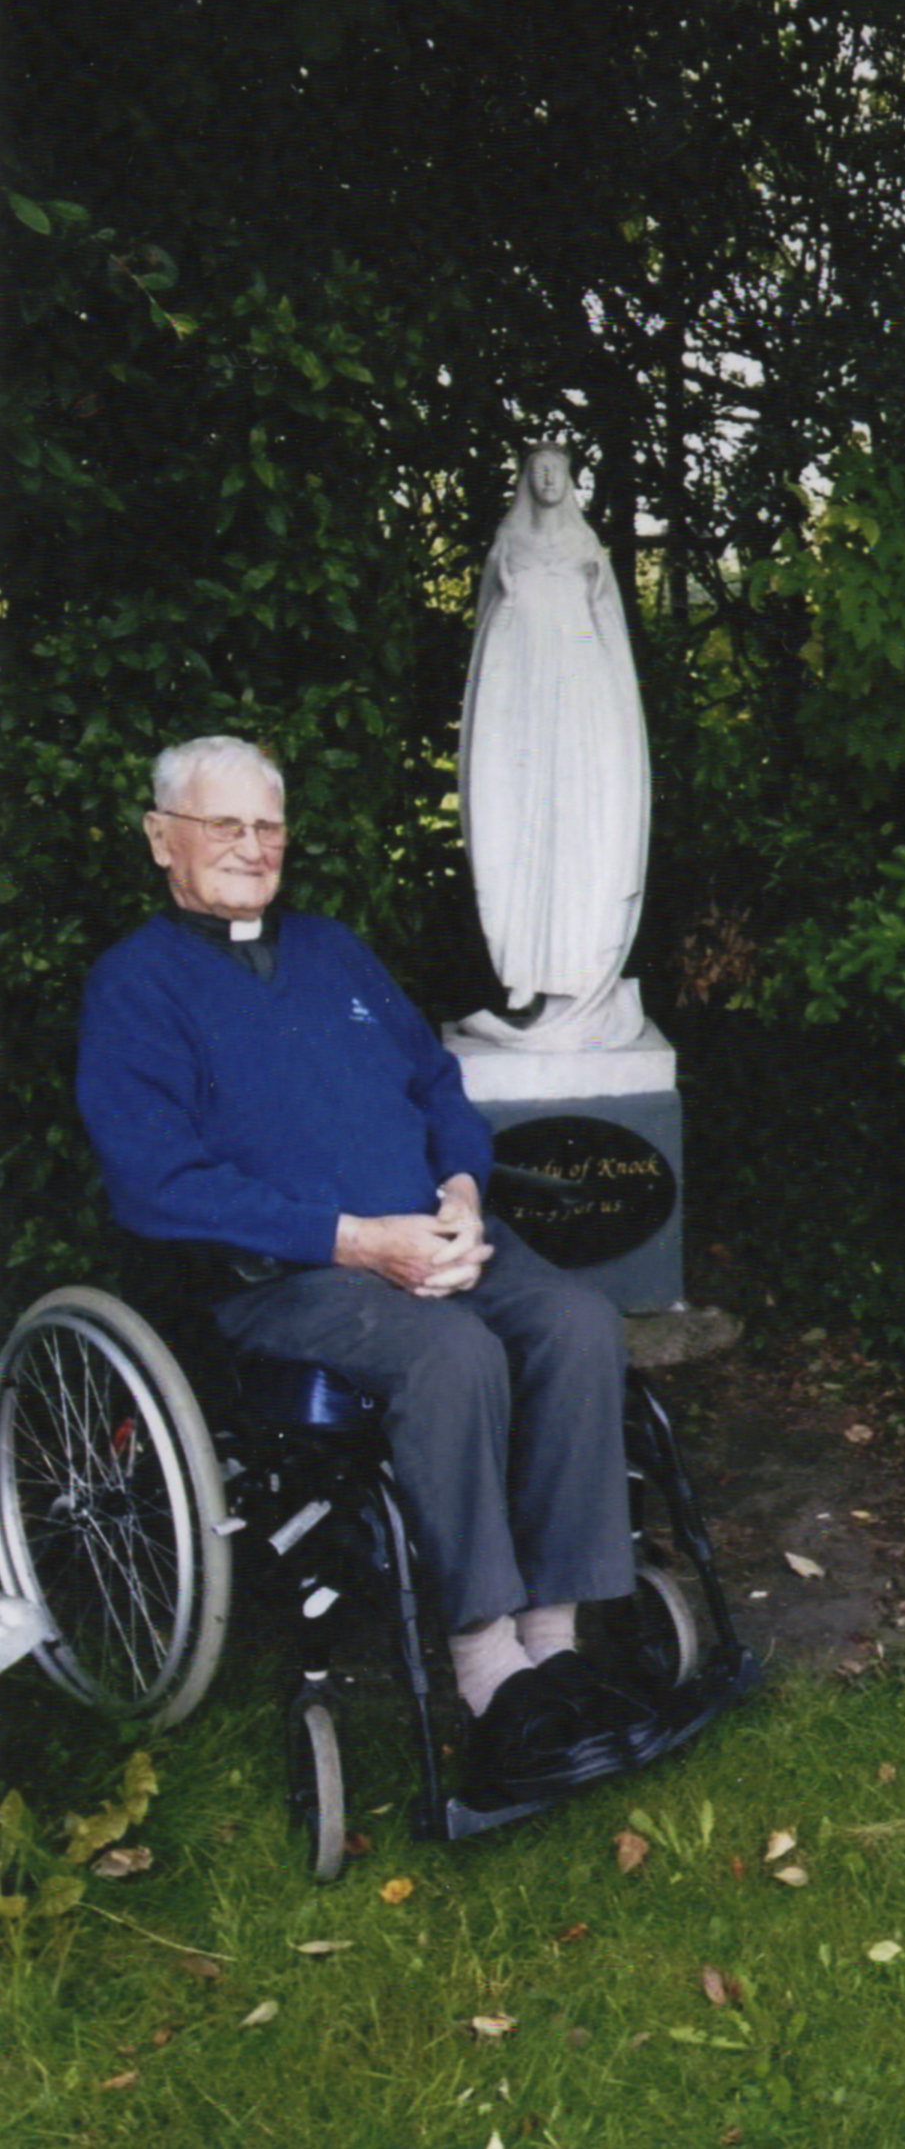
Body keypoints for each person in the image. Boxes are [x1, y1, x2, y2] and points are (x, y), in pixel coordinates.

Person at [76, 734, 669, 1800]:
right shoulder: (136, 986)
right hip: (290, 1272)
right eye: (226, 825)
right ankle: (492, 1672)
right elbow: (157, 1181)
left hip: (433, 1230)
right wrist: (357, 1239)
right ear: (164, 838)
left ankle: (559, 1640)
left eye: (269, 826)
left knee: (578, 1322)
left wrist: (462, 1192)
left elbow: (438, 1082)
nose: (253, 847)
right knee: (452, 1356)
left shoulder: (333, 949)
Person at [459, 443, 649, 1050]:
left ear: (568, 481)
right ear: (524, 480)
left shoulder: (585, 549)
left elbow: (608, 630)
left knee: (578, 834)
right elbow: (489, 617)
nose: (545, 478)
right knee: (526, 833)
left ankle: (577, 974)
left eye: (556, 470)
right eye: (536, 469)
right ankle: (525, 976)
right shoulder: (508, 543)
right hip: (524, 718)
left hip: (579, 718)